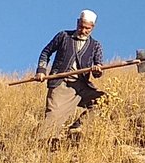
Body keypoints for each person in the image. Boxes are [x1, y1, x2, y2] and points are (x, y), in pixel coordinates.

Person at [35, 10, 105, 138]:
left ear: (92, 28)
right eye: (81, 26)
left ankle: (77, 127)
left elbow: (98, 70)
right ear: (77, 22)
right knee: (53, 117)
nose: (83, 30)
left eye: (87, 28)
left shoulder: (95, 46)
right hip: (60, 83)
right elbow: (46, 52)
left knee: (104, 101)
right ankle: (42, 144)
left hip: (81, 85)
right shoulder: (63, 36)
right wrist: (41, 71)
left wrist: (97, 69)